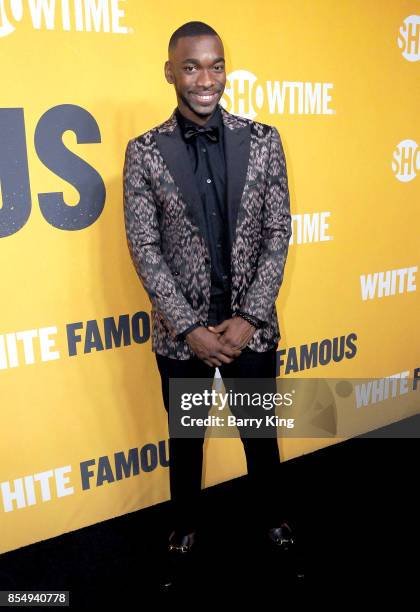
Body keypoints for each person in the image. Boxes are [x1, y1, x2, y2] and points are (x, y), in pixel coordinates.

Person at [123, 20, 293, 586]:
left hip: (252, 330)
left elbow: (278, 233)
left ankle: (273, 519)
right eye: (191, 66)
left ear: (226, 69)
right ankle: (185, 527)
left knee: (260, 437)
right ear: (170, 71)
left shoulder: (264, 141)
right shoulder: (145, 153)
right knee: (187, 442)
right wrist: (191, 327)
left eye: (215, 65)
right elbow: (144, 248)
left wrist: (249, 317)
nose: (205, 78)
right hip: (182, 337)